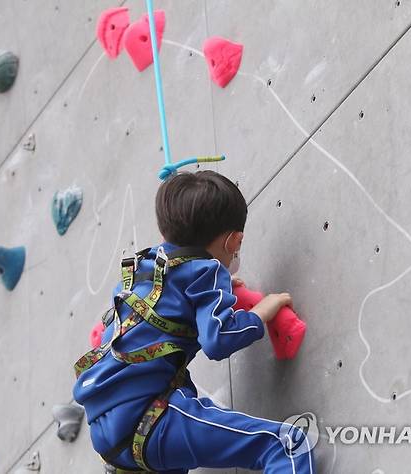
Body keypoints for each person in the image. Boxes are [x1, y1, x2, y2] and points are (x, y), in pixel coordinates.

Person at [73, 170, 315, 473]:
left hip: (108, 434)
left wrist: (214, 298)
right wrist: (258, 314)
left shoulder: (141, 269)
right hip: (151, 421)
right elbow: (217, 339)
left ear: (165, 232)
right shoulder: (207, 273)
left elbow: (169, 309)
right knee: (286, 445)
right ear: (234, 240)